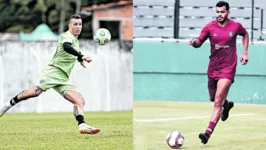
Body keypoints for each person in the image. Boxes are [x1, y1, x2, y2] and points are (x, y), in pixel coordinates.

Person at [0, 14, 100, 135]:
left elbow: (74, 51)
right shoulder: (66, 36)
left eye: (80, 24)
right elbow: (66, 47)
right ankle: (7, 105)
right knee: (33, 93)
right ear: (69, 26)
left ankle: (82, 125)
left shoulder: (75, 40)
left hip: (63, 78)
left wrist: (80, 60)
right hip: (53, 72)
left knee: (79, 100)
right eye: (75, 24)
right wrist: (81, 56)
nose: (78, 27)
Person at [188, 1, 249, 144]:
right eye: (217, 12)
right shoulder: (209, 27)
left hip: (228, 69)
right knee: (213, 98)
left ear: (228, 12)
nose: (219, 14)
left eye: (222, 12)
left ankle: (207, 133)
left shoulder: (235, 26)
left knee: (216, 102)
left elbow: (245, 34)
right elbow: (199, 43)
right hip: (213, 68)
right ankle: (226, 105)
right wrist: (193, 42)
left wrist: (245, 52)